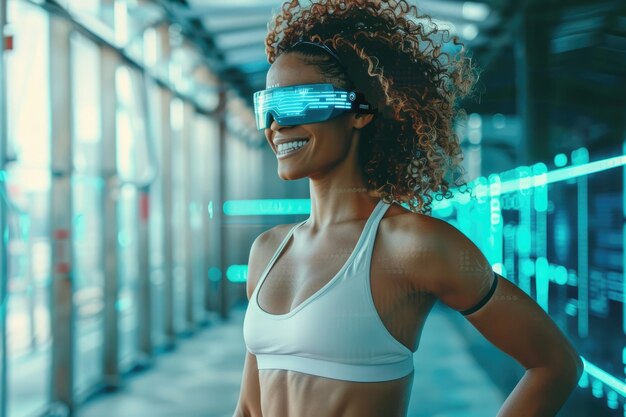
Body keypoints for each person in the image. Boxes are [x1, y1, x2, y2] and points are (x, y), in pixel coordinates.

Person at [234, 1, 583, 416]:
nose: (276, 124)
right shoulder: (266, 252)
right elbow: (249, 408)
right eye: (267, 107)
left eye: (297, 103)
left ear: (359, 110)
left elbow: (555, 364)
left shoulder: (414, 245)